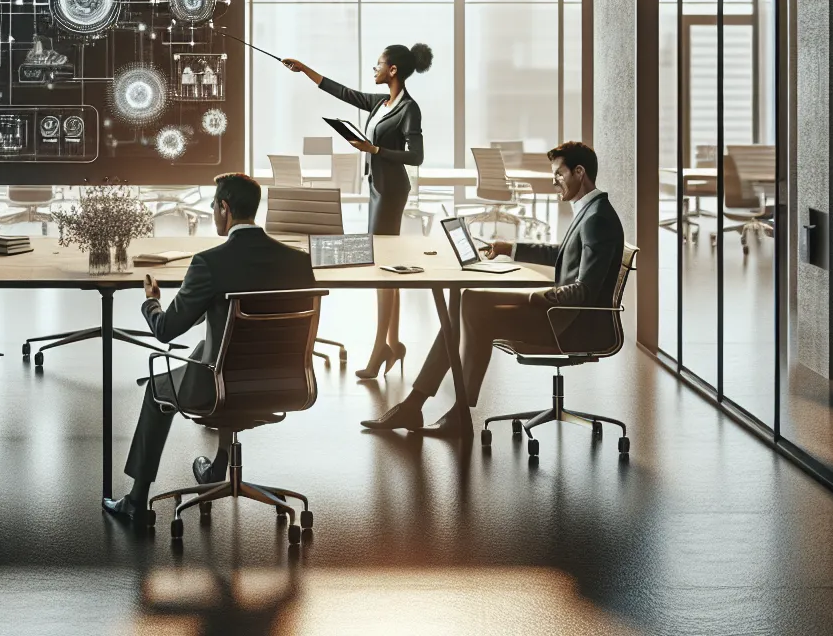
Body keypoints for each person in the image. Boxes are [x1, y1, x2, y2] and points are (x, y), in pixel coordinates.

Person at [362, 141, 626, 438]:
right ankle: (421, 406)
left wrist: (533, 298)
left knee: (474, 309)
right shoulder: (591, 210)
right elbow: (564, 256)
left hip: (571, 323)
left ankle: (444, 411)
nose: (553, 181)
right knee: (467, 302)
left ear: (579, 172)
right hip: (564, 313)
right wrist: (509, 248)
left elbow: (584, 292)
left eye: (558, 174)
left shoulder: (597, 219)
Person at [102, 173, 315, 524]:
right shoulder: (298, 261)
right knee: (209, 348)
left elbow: (167, 330)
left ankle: (136, 502)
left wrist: (151, 303)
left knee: (159, 387)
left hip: (223, 389)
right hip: (286, 384)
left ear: (224, 208)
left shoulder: (209, 263)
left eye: (214, 207)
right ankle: (218, 467)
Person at [280, 43, 431, 380]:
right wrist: (304, 69)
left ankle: (381, 347)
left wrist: (374, 148)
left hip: (391, 191)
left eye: (378, 64)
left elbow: (417, 156)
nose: (373, 69)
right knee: (386, 266)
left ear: (392, 70)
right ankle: (392, 342)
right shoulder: (381, 102)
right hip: (378, 187)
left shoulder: (409, 108)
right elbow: (344, 93)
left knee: (381, 268)